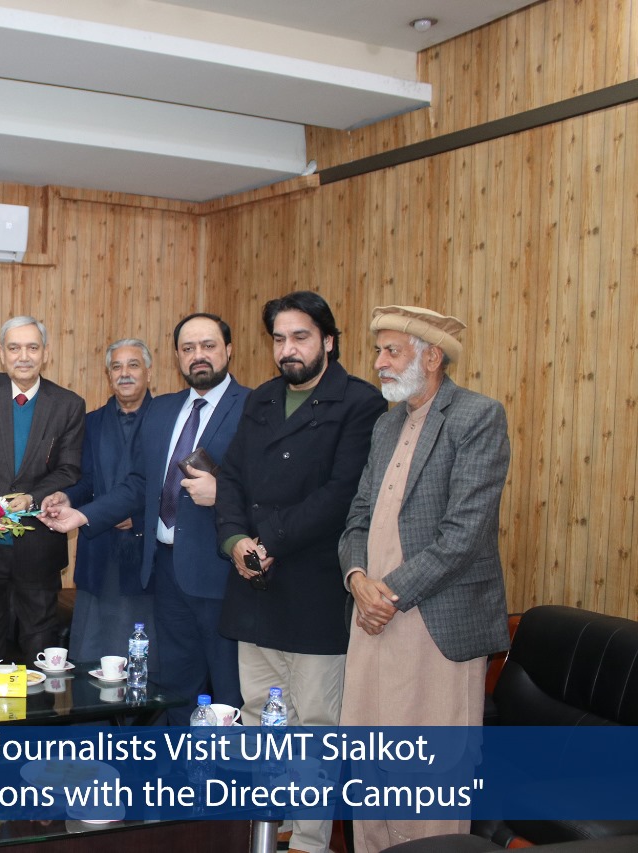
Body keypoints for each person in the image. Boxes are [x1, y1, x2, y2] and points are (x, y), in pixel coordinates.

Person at [215, 291, 384, 853]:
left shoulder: (360, 403)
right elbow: (231, 478)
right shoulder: (262, 398)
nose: (288, 349)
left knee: (313, 723)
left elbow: (342, 495)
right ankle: (271, 829)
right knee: (260, 714)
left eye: (301, 337)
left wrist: (270, 541)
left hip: (314, 590)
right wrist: (236, 541)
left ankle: (309, 842)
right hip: (254, 584)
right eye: (280, 339)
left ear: (328, 341)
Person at [339, 305, 511, 853]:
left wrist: (387, 595)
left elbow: (465, 534)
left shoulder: (477, 416)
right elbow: (357, 516)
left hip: (433, 624)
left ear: (432, 357)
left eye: (392, 351)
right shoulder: (386, 424)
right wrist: (357, 579)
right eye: (378, 351)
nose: (379, 362)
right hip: (373, 618)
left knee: (429, 773)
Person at [42, 313, 247, 719]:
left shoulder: (252, 406)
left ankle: (227, 762)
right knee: (174, 688)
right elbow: (140, 483)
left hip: (219, 570)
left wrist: (221, 491)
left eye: (208, 346)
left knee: (228, 689)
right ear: (177, 356)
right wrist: (82, 516)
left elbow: (264, 484)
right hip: (166, 569)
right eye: (188, 348)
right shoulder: (166, 410)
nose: (198, 355)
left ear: (228, 349)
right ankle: (174, 761)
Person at [0, 316, 85, 662]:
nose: (23, 356)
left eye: (32, 347)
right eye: (14, 348)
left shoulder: (69, 404)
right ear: (2, 353)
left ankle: (38, 701)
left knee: (39, 641)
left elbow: (69, 468)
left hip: (39, 545)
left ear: (45, 353)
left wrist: (32, 497)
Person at [62, 338, 155, 662]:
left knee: (142, 657)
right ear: (109, 375)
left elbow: (173, 487)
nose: (124, 373)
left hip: (147, 555)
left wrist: (139, 516)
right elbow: (86, 481)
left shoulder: (166, 418)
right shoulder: (92, 422)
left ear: (148, 372)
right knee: (91, 654)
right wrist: (66, 498)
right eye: (117, 366)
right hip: (98, 551)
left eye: (133, 365)